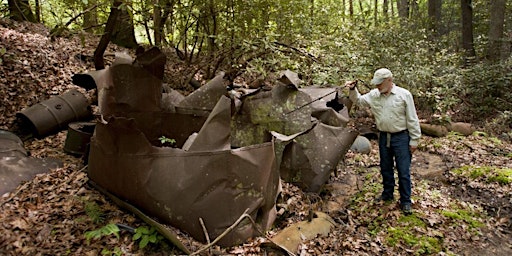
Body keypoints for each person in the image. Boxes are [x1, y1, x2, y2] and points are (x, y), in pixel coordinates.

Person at [345, 68, 421, 215]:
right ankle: (387, 194)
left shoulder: (404, 95)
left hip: (401, 137)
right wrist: (353, 89)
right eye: (376, 83)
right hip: (384, 136)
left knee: (403, 170)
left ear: (389, 80)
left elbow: (412, 119)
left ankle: (405, 201)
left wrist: (414, 140)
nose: (378, 86)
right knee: (385, 168)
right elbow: (359, 101)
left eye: (380, 83)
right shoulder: (374, 95)